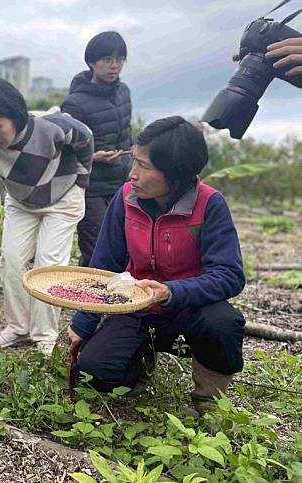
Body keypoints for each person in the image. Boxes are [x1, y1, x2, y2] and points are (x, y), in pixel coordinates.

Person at [68, 116, 246, 415]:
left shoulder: (210, 204)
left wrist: (170, 291)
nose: (132, 174)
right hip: (136, 306)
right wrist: (83, 323)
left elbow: (229, 275)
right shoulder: (125, 198)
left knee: (222, 323)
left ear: (176, 173)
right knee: (95, 372)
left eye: (144, 166)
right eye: (133, 161)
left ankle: (207, 401)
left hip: (190, 309)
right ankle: (140, 361)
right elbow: (103, 265)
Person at [0, 79, 93, 356]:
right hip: (22, 203)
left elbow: (85, 137)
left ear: (15, 115)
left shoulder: (52, 125)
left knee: (48, 264)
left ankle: (44, 335)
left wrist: (81, 180)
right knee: (11, 260)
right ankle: (18, 327)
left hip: (63, 200)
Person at [61, 31, 132, 266]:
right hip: (89, 187)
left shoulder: (124, 93)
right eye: (107, 59)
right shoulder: (74, 103)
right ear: (91, 61)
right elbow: (63, 151)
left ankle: (120, 298)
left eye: (119, 59)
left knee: (126, 243)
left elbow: (127, 135)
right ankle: (88, 301)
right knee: (96, 247)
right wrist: (93, 157)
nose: (114, 66)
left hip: (122, 183)